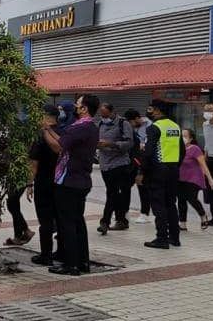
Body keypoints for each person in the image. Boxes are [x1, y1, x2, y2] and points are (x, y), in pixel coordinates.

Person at [42, 95, 100, 275]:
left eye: (78, 104)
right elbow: (63, 141)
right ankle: (82, 262)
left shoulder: (80, 128)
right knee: (77, 222)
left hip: (69, 181)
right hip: (80, 180)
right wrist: (48, 128)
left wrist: (44, 131)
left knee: (67, 224)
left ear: (84, 109)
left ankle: (71, 265)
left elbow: (58, 147)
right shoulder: (89, 127)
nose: (75, 106)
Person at [139, 100, 185, 249]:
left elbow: (148, 152)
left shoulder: (154, 128)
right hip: (173, 170)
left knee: (159, 206)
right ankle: (175, 238)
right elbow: (182, 151)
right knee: (171, 204)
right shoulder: (175, 126)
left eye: (150, 109)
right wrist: (175, 165)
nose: (149, 112)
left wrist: (142, 172)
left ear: (158, 111)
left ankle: (161, 239)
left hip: (157, 171)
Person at [27, 104, 62, 265]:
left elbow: (33, 164)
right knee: (61, 219)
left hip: (44, 183)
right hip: (62, 183)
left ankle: (45, 255)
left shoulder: (41, 135)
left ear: (45, 116)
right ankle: (62, 251)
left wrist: (29, 184)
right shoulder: (64, 132)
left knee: (46, 220)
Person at [96, 103, 134, 235]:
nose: (103, 117)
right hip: (105, 164)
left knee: (112, 193)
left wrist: (111, 144)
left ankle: (105, 221)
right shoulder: (100, 124)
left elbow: (129, 143)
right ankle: (121, 219)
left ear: (113, 112)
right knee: (113, 194)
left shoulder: (123, 124)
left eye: (106, 115)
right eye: (101, 115)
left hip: (119, 164)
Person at [178, 128, 213, 231]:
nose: (183, 138)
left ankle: (203, 216)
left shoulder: (194, 149)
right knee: (181, 200)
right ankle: (182, 223)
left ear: (190, 139)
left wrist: (210, 179)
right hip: (180, 178)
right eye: (181, 136)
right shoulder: (177, 148)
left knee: (191, 198)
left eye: (185, 136)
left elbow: (203, 164)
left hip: (194, 178)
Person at [125, 109, 153, 224]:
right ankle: (124, 212)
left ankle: (145, 213)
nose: (130, 125)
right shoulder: (130, 127)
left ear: (137, 118)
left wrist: (144, 145)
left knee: (143, 187)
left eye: (131, 122)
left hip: (144, 160)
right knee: (126, 186)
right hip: (132, 160)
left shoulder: (151, 126)